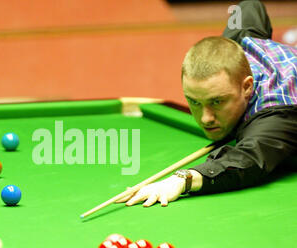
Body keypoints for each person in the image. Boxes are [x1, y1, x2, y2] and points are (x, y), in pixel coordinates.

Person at [118, 0, 297, 207]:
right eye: (194, 102)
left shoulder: (275, 113)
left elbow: (248, 159)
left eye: (217, 101)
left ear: (247, 87)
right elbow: (249, 6)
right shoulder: (240, 40)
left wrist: (182, 179)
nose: (206, 118)